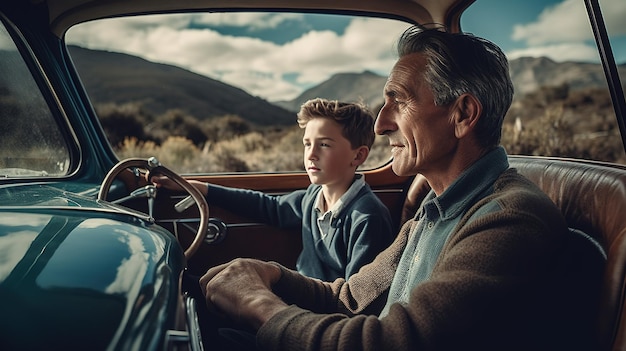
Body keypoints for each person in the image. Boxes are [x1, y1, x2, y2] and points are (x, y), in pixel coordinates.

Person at [197, 27, 600, 350]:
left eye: (399, 101)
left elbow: (391, 342)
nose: (380, 123)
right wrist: (269, 275)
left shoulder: (509, 219)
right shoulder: (434, 208)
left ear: (462, 114)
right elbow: (350, 299)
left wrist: (257, 305)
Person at [153, 98, 394, 282]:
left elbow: (357, 298)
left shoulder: (367, 218)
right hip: (300, 295)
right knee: (209, 284)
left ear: (358, 155)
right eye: (307, 144)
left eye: (324, 144)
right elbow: (269, 207)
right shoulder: (313, 196)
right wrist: (201, 189)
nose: (311, 154)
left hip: (323, 314)